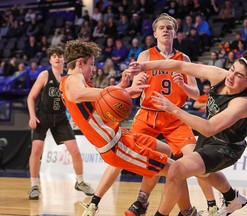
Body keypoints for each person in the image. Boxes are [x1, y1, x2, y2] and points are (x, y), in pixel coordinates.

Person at [128, 45, 247, 216]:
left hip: (226, 147)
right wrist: (144, 66)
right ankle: (232, 197)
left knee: (176, 169)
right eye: (232, 69)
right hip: (210, 138)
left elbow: (209, 127)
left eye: (239, 75)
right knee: (203, 172)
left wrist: (173, 109)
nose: (231, 76)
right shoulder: (221, 76)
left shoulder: (244, 102)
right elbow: (181, 66)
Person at [59, 39, 194, 216]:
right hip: (116, 146)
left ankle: (142, 201)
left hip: (121, 135)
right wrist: (120, 91)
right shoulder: (73, 79)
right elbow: (78, 94)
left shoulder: (72, 82)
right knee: (177, 170)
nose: (93, 69)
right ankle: (187, 212)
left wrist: (123, 89)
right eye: (91, 64)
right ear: (79, 63)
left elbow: (100, 101)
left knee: (165, 149)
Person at [125, 13, 218, 216]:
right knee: (146, 156)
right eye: (162, 27)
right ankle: (141, 201)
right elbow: (135, 87)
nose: (166, 30)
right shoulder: (146, 56)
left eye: (169, 27)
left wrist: (182, 84)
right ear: (155, 32)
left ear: (175, 32)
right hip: (148, 114)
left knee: (196, 157)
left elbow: (195, 94)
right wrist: (135, 82)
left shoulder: (183, 59)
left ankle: (211, 205)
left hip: (175, 116)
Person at [27, 46, 94, 200]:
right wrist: (32, 116)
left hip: (61, 117)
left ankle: (80, 182)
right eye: (54, 56)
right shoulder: (45, 75)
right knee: (36, 150)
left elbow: (74, 100)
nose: (57, 58)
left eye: (60, 56)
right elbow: (31, 97)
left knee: (75, 151)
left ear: (64, 59)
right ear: (50, 60)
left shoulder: (68, 77)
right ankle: (34, 186)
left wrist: (76, 118)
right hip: (43, 117)